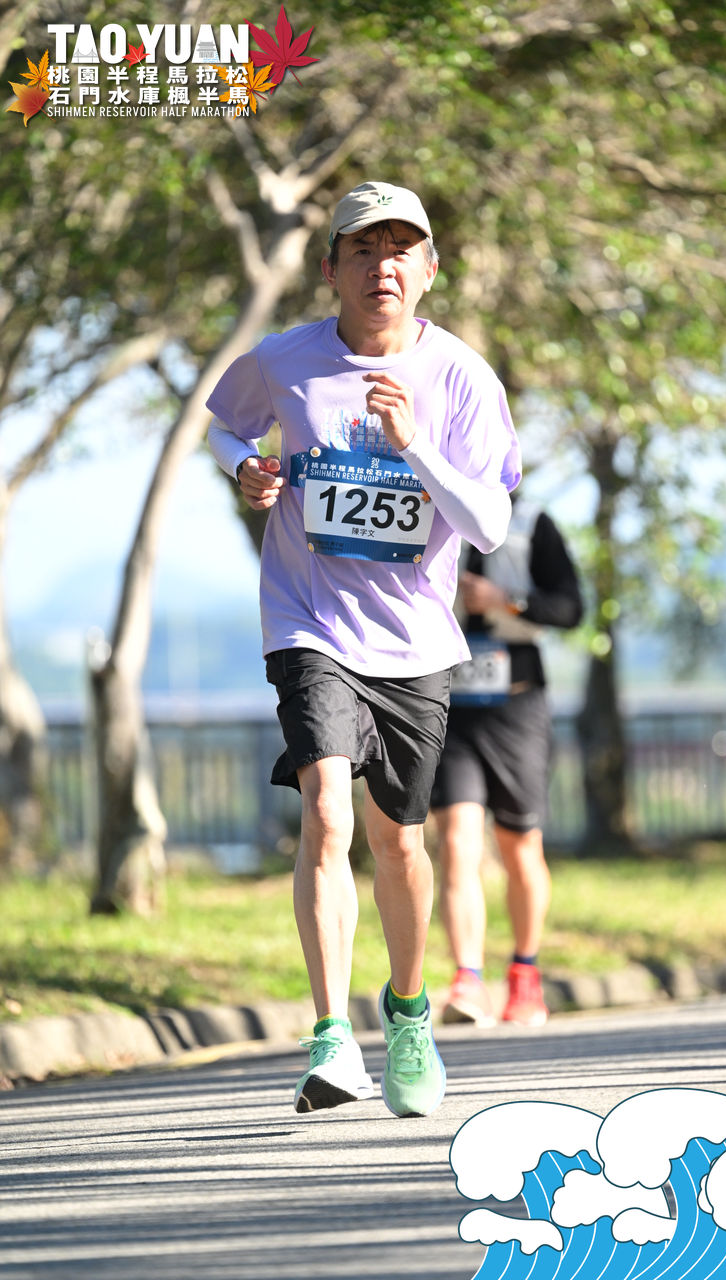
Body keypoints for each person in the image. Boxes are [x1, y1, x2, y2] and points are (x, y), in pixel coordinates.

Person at [205, 181, 521, 1118]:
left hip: (415, 640)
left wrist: (415, 446)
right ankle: (330, 1035)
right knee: (325, 812)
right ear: (330, 268)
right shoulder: (284, 360)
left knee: (397, 841)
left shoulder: (462, 377)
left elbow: (490, 525)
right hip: (308, 622)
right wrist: (245, 467)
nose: (382, 266)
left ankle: (408, 1013)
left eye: (400, 249)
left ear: (428, 271)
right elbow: (223, 424)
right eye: (362, 249)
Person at [430, 493, 583, 1028]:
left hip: (517, 707)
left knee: (520, 846)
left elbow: (570, 608)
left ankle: (524, 975)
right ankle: (467, 979)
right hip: (451, 708)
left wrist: (505, 599)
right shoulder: (425, 506)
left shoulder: (533, 521)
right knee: (456, 842)